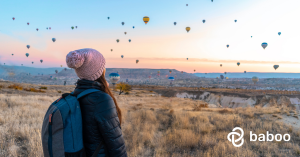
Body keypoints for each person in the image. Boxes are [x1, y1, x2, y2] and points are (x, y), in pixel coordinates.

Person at [66, 48, 127, 157]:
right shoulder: (102, 99)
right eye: (103, 67)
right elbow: (116, 145)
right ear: (100, 71)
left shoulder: (76, 94)